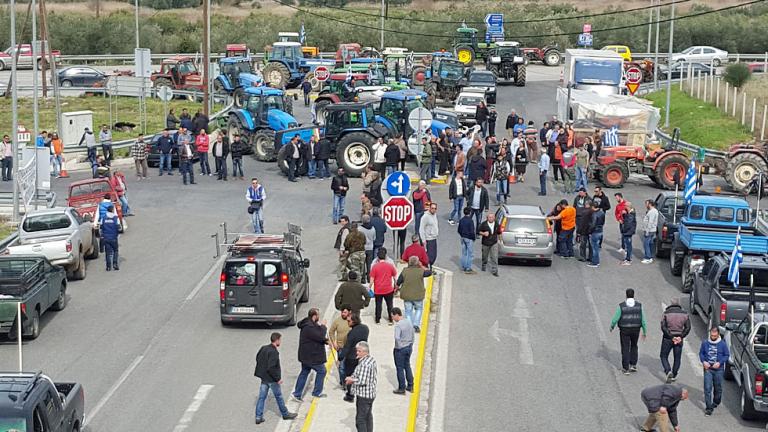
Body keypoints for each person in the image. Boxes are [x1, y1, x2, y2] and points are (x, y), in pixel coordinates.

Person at [254, 332, 297, 424]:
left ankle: (258, 416)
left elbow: (258, 358)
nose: (280, 342)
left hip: (264, 378)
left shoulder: (263, 348)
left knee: (262, 397)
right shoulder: (274, 352)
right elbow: (271, 367)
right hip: (272, 380)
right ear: (277, 340)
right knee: (279, 397)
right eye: (280, 340)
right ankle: (285, 414)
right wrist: (278, 379)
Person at [291, 308, 329, 401]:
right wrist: (324, 326)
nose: (319, 317)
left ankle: (297, 393)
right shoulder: (309, 327)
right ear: (314, 316)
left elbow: (316, 337)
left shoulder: (308, 324)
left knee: (304, 372)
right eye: (318, 315)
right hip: (311, 356)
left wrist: (325, 341)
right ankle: (317, 392)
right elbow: (319, 335)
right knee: (322, 371)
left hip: (305, 356)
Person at [610, 288, 648, 374]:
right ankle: (633, 364)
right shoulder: (639, 306)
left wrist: (612, 326)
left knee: (625, 347)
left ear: (626, 295)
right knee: (634, 345)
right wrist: (644, 331)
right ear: (633, 295)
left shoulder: (622, 306)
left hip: (624, 330)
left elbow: (615, 318)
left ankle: (625, 368)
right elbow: (643, 320)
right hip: (636, 329)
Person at [345, 341, 377, 432]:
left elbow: (363, 381)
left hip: (364, 396)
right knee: (368, 416)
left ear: (365, 352)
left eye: (359, 351)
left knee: (360, 420)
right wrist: (353, 377)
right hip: (370, 394)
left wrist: (351, 380)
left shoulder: (364, 364)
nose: (357, 353)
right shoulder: (371, 360)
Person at [699, 327, 730, 416]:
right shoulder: (705, 343)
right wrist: (703, 361)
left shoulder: (722, 344)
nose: (712, 337)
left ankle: (716, 402)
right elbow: (701, 353)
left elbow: (726, 355)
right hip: (708, 369)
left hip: (718, 370)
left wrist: (719, 363)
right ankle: (709, 408)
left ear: (718, 334)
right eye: (711, 335)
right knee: (707, 388)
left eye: (714, 335)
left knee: (718, 388)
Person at [397, 256, 432, 332]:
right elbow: (429, 272)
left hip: (407, 295)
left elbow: (398, 282)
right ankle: (416, 325)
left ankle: (410, 326)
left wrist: (396, 289)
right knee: (419, 309)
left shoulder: (405, 271)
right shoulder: (421, 271)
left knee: (408, 311)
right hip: (418, 295)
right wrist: (421, 266)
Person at [661, 298, 691, 383]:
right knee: (677, 358)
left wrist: (671, 336)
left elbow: (663, 327)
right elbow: (688, 327)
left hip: (667, 338)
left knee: (663, 356)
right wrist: (680, 336)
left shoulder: (666, 313)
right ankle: (674, 374)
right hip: (679, 339)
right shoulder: (685, 314)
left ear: (670, 304)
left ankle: (668, 371)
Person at [342, 313, 370, 403]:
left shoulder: (352, 333)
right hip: (362, 356)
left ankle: (350, 395)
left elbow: (347, 346)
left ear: (354, 321)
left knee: (350, 375)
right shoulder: (365, 328)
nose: (348, 323)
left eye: (349, 321)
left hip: (351, 357)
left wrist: (340, 357)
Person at [390, 307, 415, 396]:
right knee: (407, 365)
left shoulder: (398, 325)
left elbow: (397, 338)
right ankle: (411, 385)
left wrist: (399, 347)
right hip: (409, 347)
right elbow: (413, 334)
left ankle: (401, 388)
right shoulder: (408, 321)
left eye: (393, 316)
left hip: (401, 349)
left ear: (396, 315)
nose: (392, 318)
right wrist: (411, 344)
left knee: (400, 368)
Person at [369, 248, 398, 325]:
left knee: (378, 305)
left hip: (378, 289)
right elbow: (395, 277)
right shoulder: (390, 265)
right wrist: (396, 286)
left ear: (378, 257)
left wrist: (369, 288)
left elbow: (371, 279)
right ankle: (391, 319)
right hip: (388, 289)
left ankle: (378, 319)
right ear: (385, 256)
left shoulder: (374, 266)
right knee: (390, 305)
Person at [329, 306, 352, 387]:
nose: (343, 314)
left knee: (349, 366)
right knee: (341, 367)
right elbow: (331, 332)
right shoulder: (337, 321)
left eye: (345, 312)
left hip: (350, 348)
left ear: (349, 312)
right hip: (340, 347)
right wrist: (334, 342)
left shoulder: (352, 320)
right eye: (342, 312)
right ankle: (343, 382)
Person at [478, 213, 501, 277]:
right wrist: (483, 233)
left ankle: (495, 271)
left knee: (494, 257)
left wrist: (500, 240)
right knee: (485, 256)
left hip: (494, 243)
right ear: (487, 218)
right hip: (485, 243)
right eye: (489, 217)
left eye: (492, 217)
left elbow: (499, 232)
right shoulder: (484, 224)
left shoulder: (496, 224)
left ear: (494, 218)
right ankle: (484, 264)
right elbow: (478, 231)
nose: (491, 218)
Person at [100, 204, 120, 271]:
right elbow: (119, 228)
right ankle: (115, 264)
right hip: (113, 237)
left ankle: (108, 267)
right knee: (115, 250)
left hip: (106, 238)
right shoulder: (115, 218)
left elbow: (101, 228)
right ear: (112, 210)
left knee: (107, 252)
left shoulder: (103, 218)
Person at [419, 203, 439, 267]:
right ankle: (427, 269)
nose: (434, 210)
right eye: (432, 208)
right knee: (429, 257)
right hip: (428, 239)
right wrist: (423, 241)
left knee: (434, 256)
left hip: (434, 238)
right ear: (430, 208)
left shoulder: (434, 215)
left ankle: (430, 267)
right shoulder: (425, 217)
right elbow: (421, 229)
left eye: (435, 208)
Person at [458, 207, 477, 274]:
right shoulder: (470, 220)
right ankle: (468, 267)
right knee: (470, 253)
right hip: (469, 238)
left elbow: (459, 230)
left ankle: (463, 266)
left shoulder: (461, 220)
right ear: (469, 213)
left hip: (463, 237)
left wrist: (462, 235)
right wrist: (473, 238)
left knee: (464, 253)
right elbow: (472, 231)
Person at [359, 216, 376, 283]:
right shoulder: (373, 228)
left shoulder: (360, 229)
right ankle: (369, 279)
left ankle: (363, 279)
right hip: (370, 248)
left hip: (362, 248)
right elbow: (374, 238)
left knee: (362, 264)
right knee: (369, 264)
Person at [642, 200, 659, 264]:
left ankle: (648, 257)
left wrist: (647, 231)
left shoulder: (652, 212)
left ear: (650, 204)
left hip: (650, 230)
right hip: (652, 230)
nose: (646, 205)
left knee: (646, 243)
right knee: (650, 243)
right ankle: (650, 256)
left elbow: (650, 222)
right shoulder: (653, 211)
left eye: (647, 204)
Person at [335, 216, 351, 280]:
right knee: (345, 261)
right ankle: (353, 270)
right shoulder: (347, 228)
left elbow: (344, 240)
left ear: (347, 221)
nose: (342, 223)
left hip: (345, 249)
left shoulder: (346, 229)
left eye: (343, 221)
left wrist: (342, 249)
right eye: (341, 221)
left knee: (342, 262)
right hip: (347, 249)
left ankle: (343, 276)